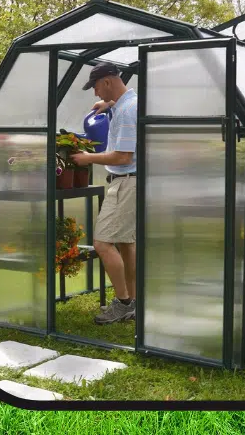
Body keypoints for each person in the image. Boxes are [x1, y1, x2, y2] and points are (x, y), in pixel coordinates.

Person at [70, 62, 137, 325]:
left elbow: (122, 156)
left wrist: (87, 158)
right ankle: (132, 300)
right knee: (125, 243)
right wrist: (107, 106)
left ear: (107, 81)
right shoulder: (128, 103)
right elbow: (121, 107)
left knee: (102, 243)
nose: (96, 94)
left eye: (97, 88)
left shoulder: (127, 111)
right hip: (132, 181)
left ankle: (123, 303)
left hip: (126, 181)